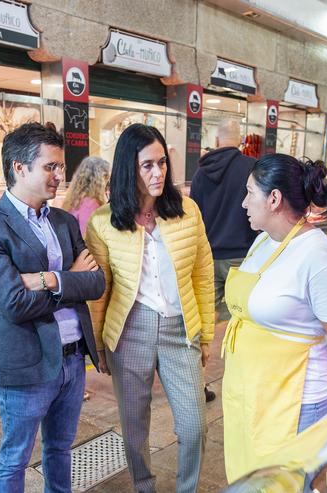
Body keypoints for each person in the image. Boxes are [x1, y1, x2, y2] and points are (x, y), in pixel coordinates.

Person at [0, 123, 105, 493]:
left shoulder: (62, 220)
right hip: (26, 364)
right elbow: (13, 302)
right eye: (51, 167)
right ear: (19, 167)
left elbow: (96, 282)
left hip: (73, 361)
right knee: (15, 458)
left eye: (60, 167)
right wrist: (70, 278)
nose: (60, 176)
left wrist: (49, 279)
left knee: (60, 448)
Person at [86, 124, 214, 493]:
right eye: (147, 166)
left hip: (180, 328)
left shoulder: (187, 210)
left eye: (162, 163)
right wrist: (100, 348)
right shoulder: (104, 222)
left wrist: (205, 333)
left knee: (194, 427)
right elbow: (100, 292)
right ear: (129, 168)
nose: (158, 173)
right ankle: (145, 487)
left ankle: (186, 488)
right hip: (130, 331)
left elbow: (203, 275)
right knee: (134, 427)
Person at [222, 154, 327, 483]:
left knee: (290, 485)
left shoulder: (321, 259)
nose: (243, 202)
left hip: (296, 402)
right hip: (253, 393)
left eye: (250, 192)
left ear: (274, 199)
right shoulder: (262, 242)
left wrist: (306, 362)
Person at [189, 119, 257, 403]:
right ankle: (237, 383)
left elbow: (193, 214)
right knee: (240, 324)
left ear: (216, 141)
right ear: (240, 142)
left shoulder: (201, 172)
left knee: (203, 324)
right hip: (241, 258)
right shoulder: (251, 169)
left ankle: (197, 384)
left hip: (206, 256)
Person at [61, 156, 111, 236]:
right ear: (101, 178)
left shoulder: (74, 199)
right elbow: (89, 239)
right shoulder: (91, 204)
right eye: (106, 178)